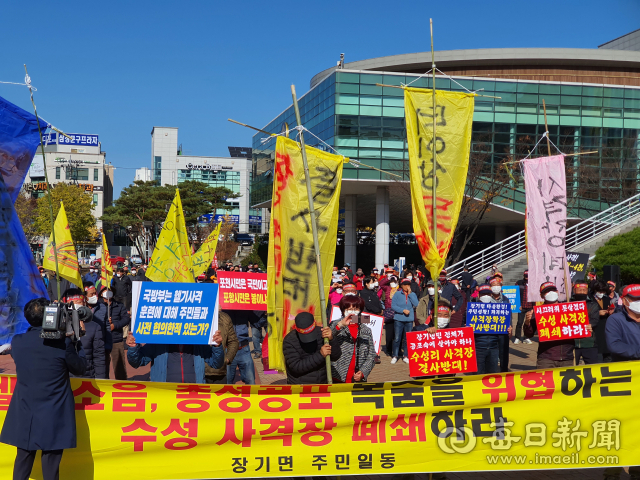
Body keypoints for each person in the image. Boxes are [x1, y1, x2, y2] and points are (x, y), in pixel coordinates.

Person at [0, 297, 86, 480]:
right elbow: (80, 368)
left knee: (22, 460)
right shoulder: (62, 344)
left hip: (25, 410)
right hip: (55, 412)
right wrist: (78, 340)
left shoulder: (18, 342)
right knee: (51, 466)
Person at [603, 284, 640, 480]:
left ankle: (636, 469)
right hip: (623, 381)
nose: (638, 303)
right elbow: (614, 345)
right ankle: (612, 470)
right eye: (635, 299)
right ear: (625, 301)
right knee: (616, 426)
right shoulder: (615, 320)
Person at [524, 282, 592, 369]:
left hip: (567, 358)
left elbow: (578, 331)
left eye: (553, 290)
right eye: (547, 291)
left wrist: (587, 328)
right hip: (546, 358)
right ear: (541, 295)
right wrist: (527, 322)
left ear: (558, 292)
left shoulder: (569, 309)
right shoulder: (538, 312)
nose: (551, 293)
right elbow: (528, 334)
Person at [127, 329, 224, 383]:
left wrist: (217, 346)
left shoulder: (198, 342)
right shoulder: (158, 341)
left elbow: (216, 363)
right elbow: (137, 362)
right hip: (165, 394)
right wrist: (133, 347)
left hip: (193, 394)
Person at [282, 312, 340, 384]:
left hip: (321, 383)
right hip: (300, 386)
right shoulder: (289, 340)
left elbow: (335, 356)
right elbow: (296, 367)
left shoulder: (322, 333)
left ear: (314, 323)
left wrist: (331, 339)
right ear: (296, 328)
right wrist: (320, 355)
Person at [329, 296, 376, 383]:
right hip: (337, 376)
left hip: (356, 377)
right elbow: (328, 337)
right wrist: (340, 325)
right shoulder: (335, 324)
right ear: (343, 310)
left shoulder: (366, 330)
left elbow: (371, 355)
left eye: (355, 309)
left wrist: (363, 372)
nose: (352, 312)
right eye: (348, 308)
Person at [63, 288, 106, 379]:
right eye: (72, 302)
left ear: (84, 303)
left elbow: (99, 358)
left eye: (78, 302)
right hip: (65, 378)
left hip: (86, 377)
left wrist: (101, 381)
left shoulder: (94, 327)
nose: (75, 305)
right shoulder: (60, 327)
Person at [469, 284, 502, 374]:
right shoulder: (472, 309)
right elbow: (466, 330)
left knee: (491, 375)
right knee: (477, 375)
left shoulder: (498, 309)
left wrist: (508, 330)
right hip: (478, 348)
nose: (486, 296)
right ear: (479, 295)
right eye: (483, 294)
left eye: (488, 294)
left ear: (491, 295)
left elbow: (504, 333)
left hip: (494, 347)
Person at [102, 287, 130, 380]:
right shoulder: (99, 306)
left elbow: (126, 319)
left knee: (119, 367)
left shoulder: (119, 305)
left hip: (116, 339)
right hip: (103, 340)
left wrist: (115, 325)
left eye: (109, 291)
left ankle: (122, 386)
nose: (107, 294)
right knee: (103, 367)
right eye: (105, 292)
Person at [85, 283, 112, 378]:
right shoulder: (80, 310)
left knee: (103, 374)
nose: (94, 296)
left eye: (95, 293)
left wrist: (108, 346)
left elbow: (107, 327)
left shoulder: (102, 307)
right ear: (85, 296)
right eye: (91, 294)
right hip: (86, 349)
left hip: (101, 347)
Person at [572, 281, 602, 365]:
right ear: (574, 290)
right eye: (579, 290)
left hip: (589, 342)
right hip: (572, 344)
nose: (582, 292)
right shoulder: (567, 303)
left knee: (592, 369)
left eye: (584, 290)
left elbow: (595, 319)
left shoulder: (592, 304)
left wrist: (590, 325)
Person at [205, 311, 239, 384]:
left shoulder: (224, 318)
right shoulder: (191, 315)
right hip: (197, 371)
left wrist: (227, 359)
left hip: (219, 372)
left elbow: (233, 341)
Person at [225, 309, 258, 384]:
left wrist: (263, 314)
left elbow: (256, 323)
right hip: (228, 349)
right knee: (226, 381)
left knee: (251, 381)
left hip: (244, 348)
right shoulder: (222, 308)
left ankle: (251, 396)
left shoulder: (245, 308)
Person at [390, 278, 419, 365]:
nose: (407, 286)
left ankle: (406, 356)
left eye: (408, 285)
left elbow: (417, 304)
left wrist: (410, 294)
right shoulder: (397, 294)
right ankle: (395, 355)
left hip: (409, 320)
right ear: (402, 286)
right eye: (405, 285)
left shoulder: (412, 294)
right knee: (397, 338)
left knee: (407, 339)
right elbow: (393, 306)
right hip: (399, 319)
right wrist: (402, 310)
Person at [488, 276, 512, 372]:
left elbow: (509, 315)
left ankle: (504, 371)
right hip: (490, 331)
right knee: (492, 353)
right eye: (494, 285)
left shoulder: (506, 299)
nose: (496, 287)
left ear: (501, 286)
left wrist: (511, 328)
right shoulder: (486, 299)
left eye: (498, 285)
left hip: (503, 331)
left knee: (504, 353)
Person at [514, 270, 534, 345]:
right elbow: (515, 294)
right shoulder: (519, 283)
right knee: (519, 322)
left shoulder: (533, 284)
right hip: (521, 306)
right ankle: (517, 337)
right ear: (523, 276)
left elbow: (534, 296)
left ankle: (526, 337)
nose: (527, 278)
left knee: (528, 323)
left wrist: (533, 307)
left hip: (530, 306)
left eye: (528, 276)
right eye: (526, 276)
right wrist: (518, 304)